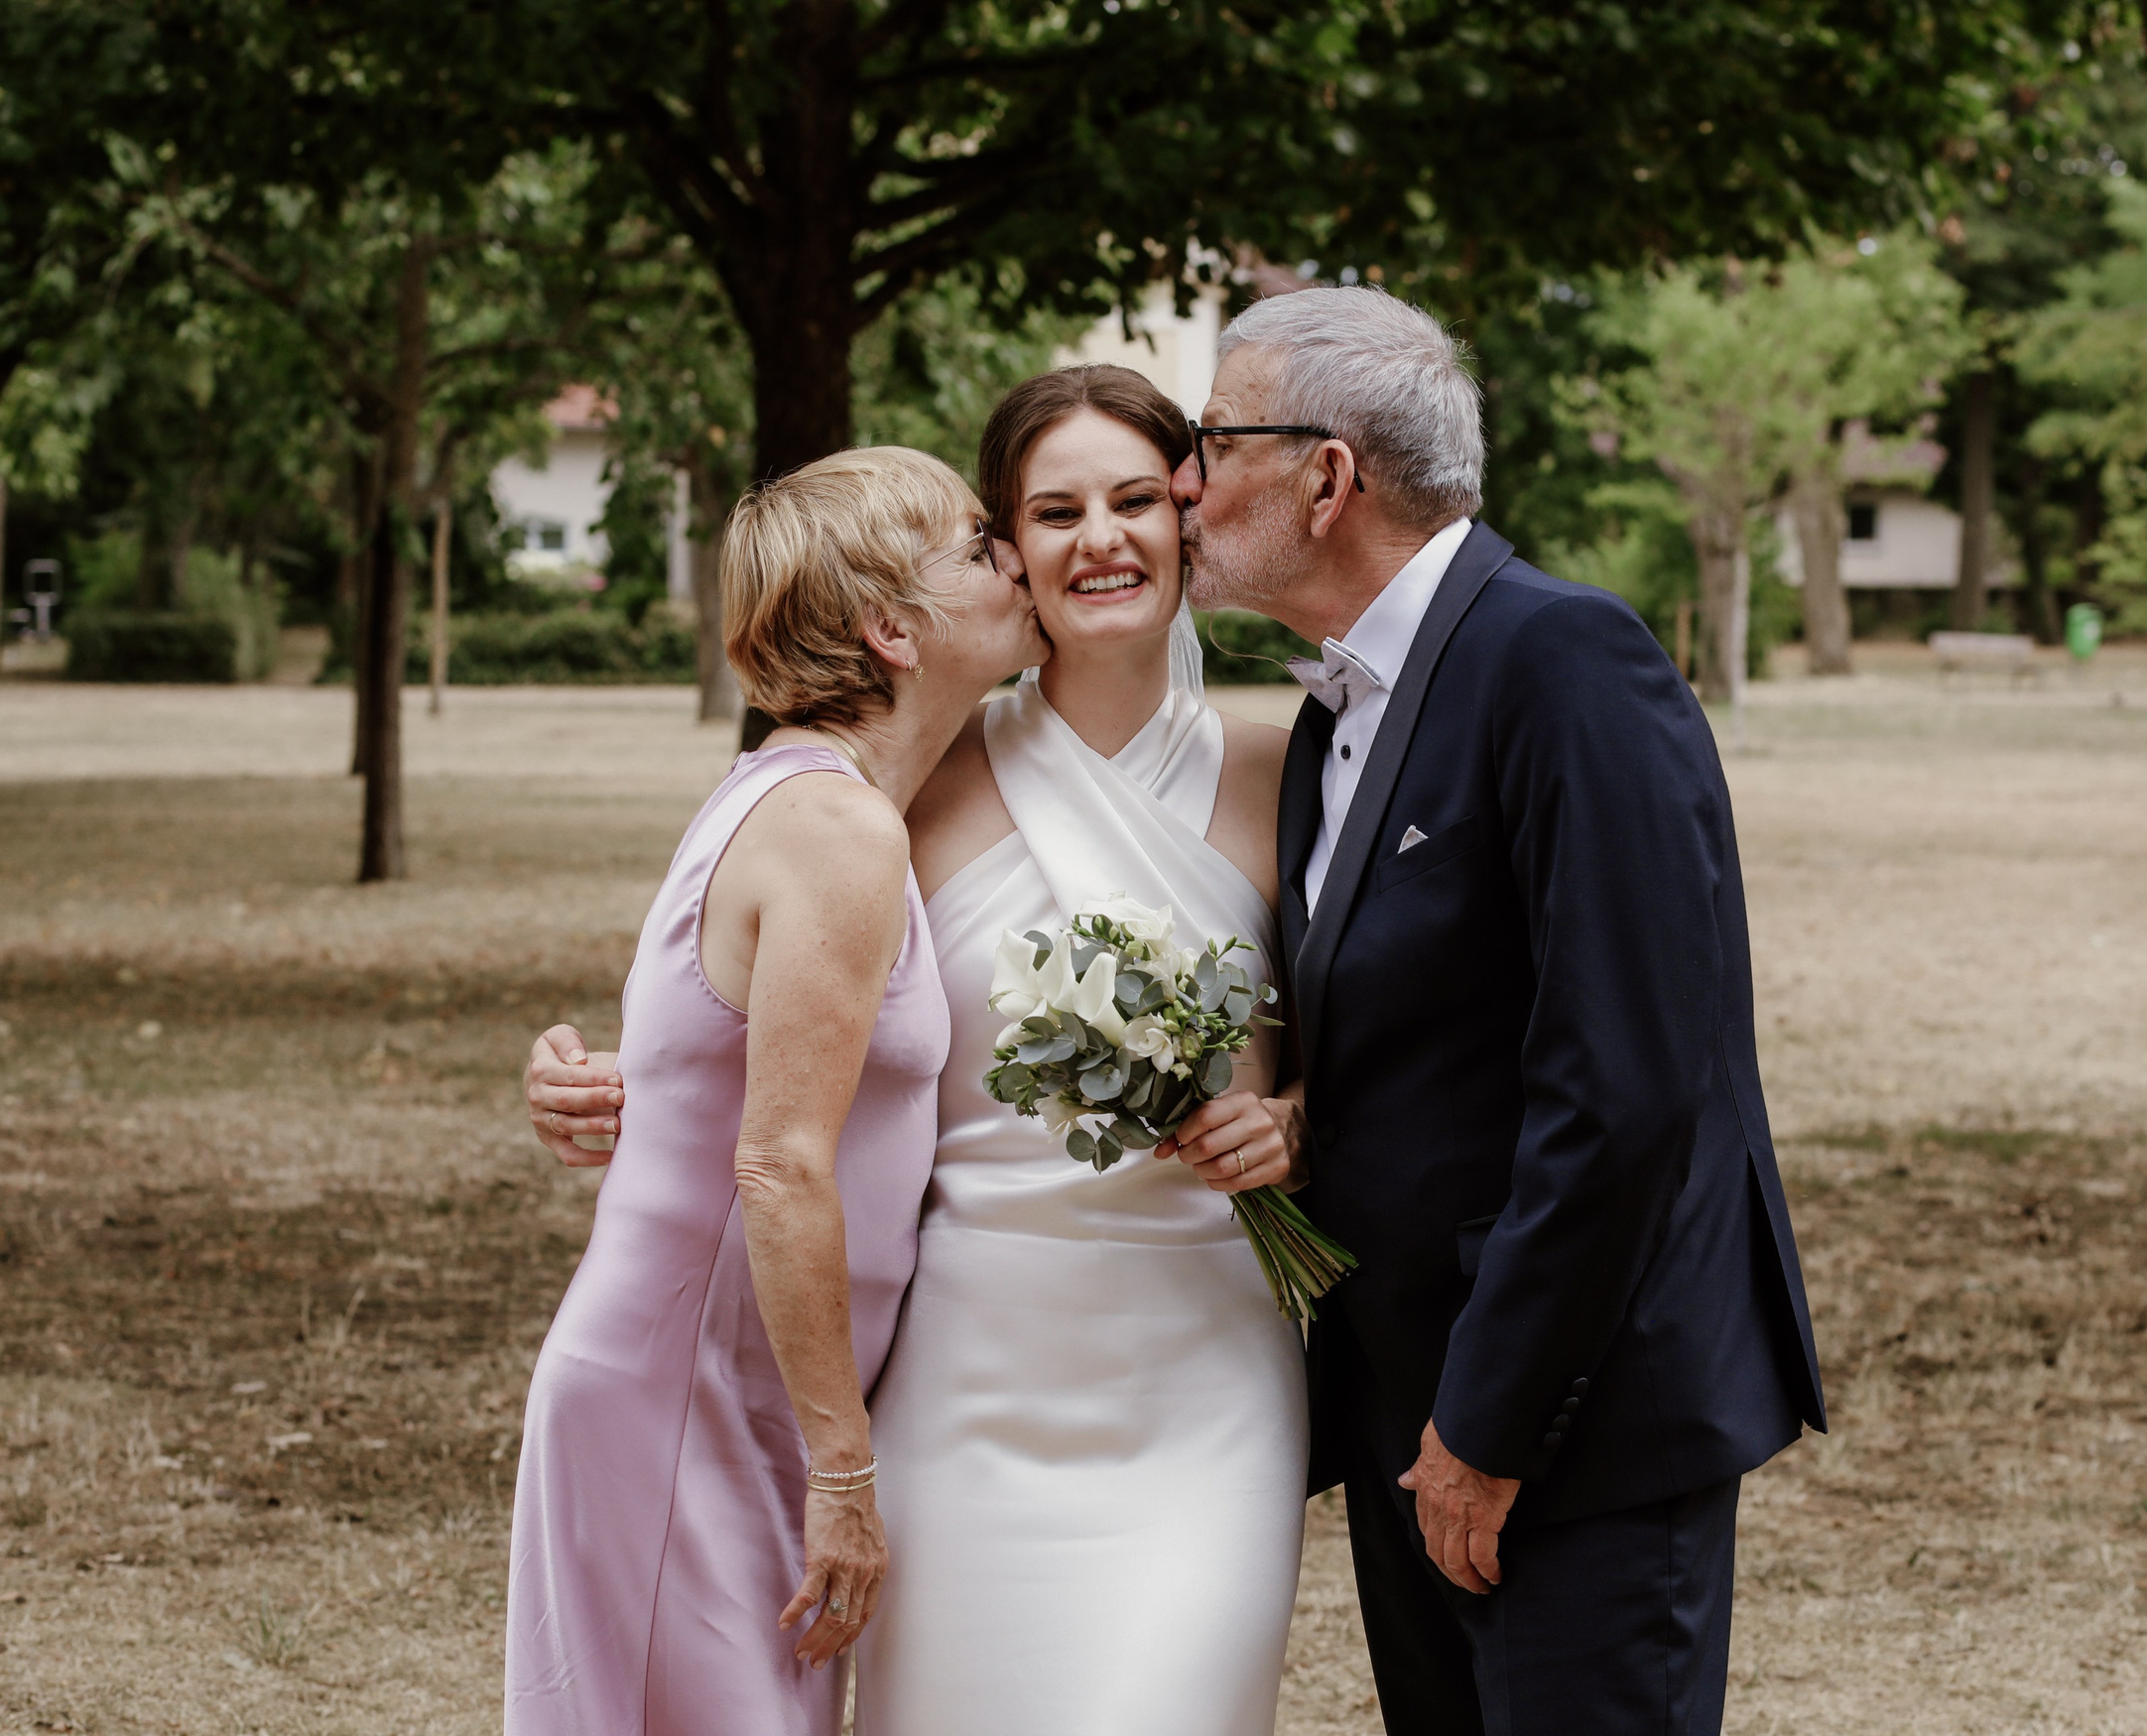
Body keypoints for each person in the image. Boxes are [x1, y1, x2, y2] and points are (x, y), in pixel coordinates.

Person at [526, 366, 1311, 1736]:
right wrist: (623, 1085)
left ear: (1189, 519)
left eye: (1135, 498)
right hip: (955, 1374)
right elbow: (755, 1041)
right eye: (1038, 516)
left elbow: (1413, 1033)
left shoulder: (1292, 773)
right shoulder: (879, 795)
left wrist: (1301, 1118)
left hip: (1204, 1373)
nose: (1090, 539)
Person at [1175, 285, 1827, 1735]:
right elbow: (1430, 1036)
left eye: (1211, 440)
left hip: (1569, 1422)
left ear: (1326, 476)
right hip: (1418, 1406)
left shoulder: (1565, 661)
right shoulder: (1339, 711)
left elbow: (1631, 1091)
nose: (1184, 481)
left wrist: (1488, 1423)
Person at [504, 446, 1046, 1736]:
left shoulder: (825, 799)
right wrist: (844, 1469)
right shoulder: (834, 826)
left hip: (741, 1391)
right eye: (979, 546)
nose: (1016, 556)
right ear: (888, 628)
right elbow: (782, 1160)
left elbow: (695, 1059)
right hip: (685, 1401)